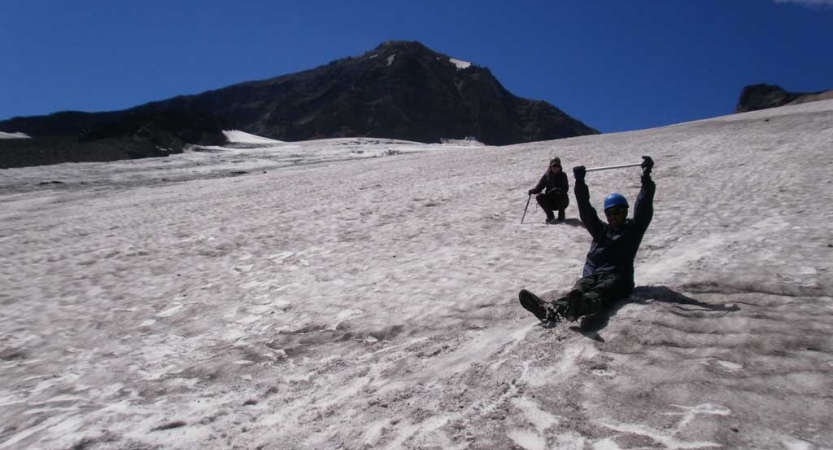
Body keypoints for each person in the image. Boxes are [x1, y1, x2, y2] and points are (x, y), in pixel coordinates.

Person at [519, 156, 655, 323]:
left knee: (602, 290)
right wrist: (580, 183)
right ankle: (549, 310)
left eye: (618, 212)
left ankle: (581, 306)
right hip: (593, 275)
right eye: (610, 213)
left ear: (626, 212)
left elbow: (644, 208)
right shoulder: (601, 231)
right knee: (580, 287)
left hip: (619, 278)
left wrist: (646, 179)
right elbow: (586, 211)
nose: (614, 217)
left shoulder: (632, 230)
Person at [528, 158, 570, 224]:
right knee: (539, 196)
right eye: (553, 166)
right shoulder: (546, 176)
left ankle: (561, 215)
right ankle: (550, 215)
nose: (555, 168)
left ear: (560, 167)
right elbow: (539, 187)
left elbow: (565, 188)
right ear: (550, 166)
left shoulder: (563, 175)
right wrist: (533, 191)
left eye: (557, 166)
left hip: (562, 202)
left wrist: (557, 190)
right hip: (550, 201)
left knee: (558, 194)